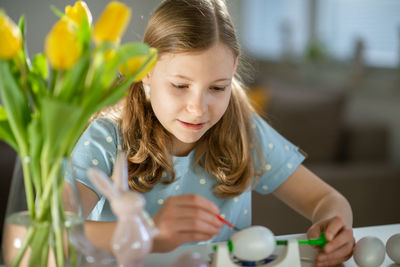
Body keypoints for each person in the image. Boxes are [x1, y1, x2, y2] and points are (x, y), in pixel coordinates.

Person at [70, 0, 355, 266]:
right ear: (146, 70)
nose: (197, 109)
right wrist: (150, 232)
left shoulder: (245, 132)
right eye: (180, 86)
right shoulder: (106, 140)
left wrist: (334, 225)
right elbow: (53, 231)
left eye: (217, 88)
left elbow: (326, 200)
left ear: (232, 70)